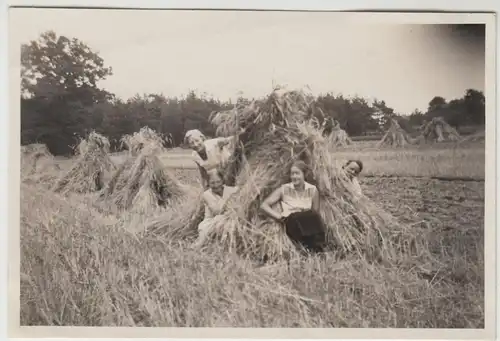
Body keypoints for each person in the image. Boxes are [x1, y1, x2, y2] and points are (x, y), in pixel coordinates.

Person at [260, 161, 326, 253]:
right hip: (291, 220)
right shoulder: (284, 189)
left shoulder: (313, 190)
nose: (294, 177)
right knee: (296, 217)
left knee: (314, 216)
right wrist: (278, 216)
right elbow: (264, 205)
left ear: (304, 175)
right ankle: (307, 247)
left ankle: (318, 248)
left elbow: (315, 211)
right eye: (292, 174)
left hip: (307, 220)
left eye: (297, 173)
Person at [195, 168, 239, 245]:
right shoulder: (206, 195)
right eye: (212, 183)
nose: (216, 185)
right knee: (202, 240)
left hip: (229, 218)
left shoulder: (231, 190)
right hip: (211, 221)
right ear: (208, 183)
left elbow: (241, 191)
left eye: (218, 181)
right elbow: (217, 211)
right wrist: (228, 198)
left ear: (222, 180)